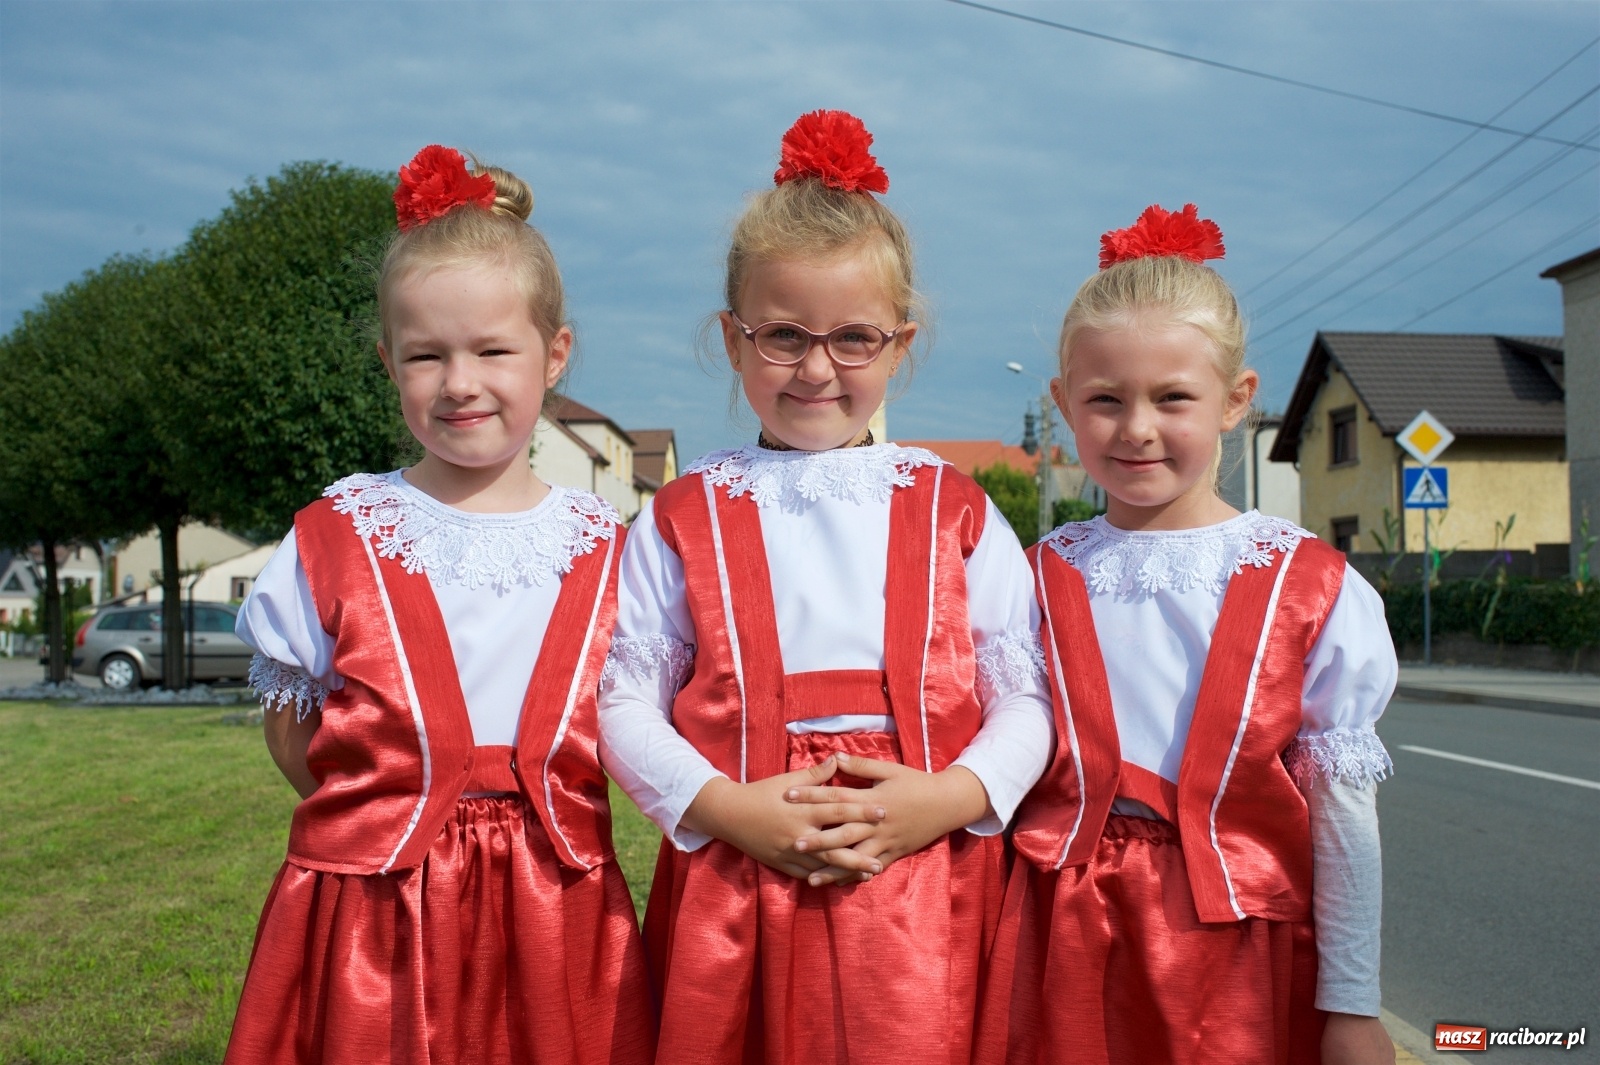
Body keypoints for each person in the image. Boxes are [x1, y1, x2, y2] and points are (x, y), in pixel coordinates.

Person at [596, 110, 1053, 1065]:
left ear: (899, 343)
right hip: (737, 882)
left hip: (926, 891)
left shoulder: (956, 508)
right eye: (783, 336)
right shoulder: (682, 514)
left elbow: (1028, 694)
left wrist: (953, 796)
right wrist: (724, 807)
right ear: (732, 337)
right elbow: (622, 700)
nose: (816, 368)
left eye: (853, 338)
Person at [223, 144, 654, 1065]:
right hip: (375, 907)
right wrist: (390, 808)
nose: (460, 382)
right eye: (427, 355)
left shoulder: (609, 548)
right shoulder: (338, 531)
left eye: (493, 350)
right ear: (390, 362)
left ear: (555, 352)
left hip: (557, 908)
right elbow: (294, 732)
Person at [978, 204, 1398, 1065]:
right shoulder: (1026, 577)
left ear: (1237, 401)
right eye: (1104, 399)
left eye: (1173, 397)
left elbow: (1343, 812)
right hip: (1056, 937)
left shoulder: (1308, 584)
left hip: (1238, 952)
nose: (1136, 427)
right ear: (1061, 404)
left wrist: (1352, 1003)